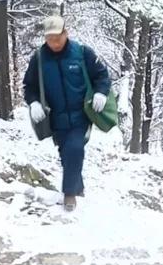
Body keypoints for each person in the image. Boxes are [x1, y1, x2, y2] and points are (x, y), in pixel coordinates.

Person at [22, 15, 110, 210]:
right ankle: (78, 187)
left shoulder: (82, 53)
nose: (54, 43)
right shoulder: (39, 59)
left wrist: (101, 92)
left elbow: (101, 75)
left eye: (57, 38)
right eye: (50, 39)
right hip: (55, 118)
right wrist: (33, 102)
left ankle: (69, 194)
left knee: (74, 148)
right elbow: (29, 86)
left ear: (66, 34)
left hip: (81, 115)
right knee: (66, 154)